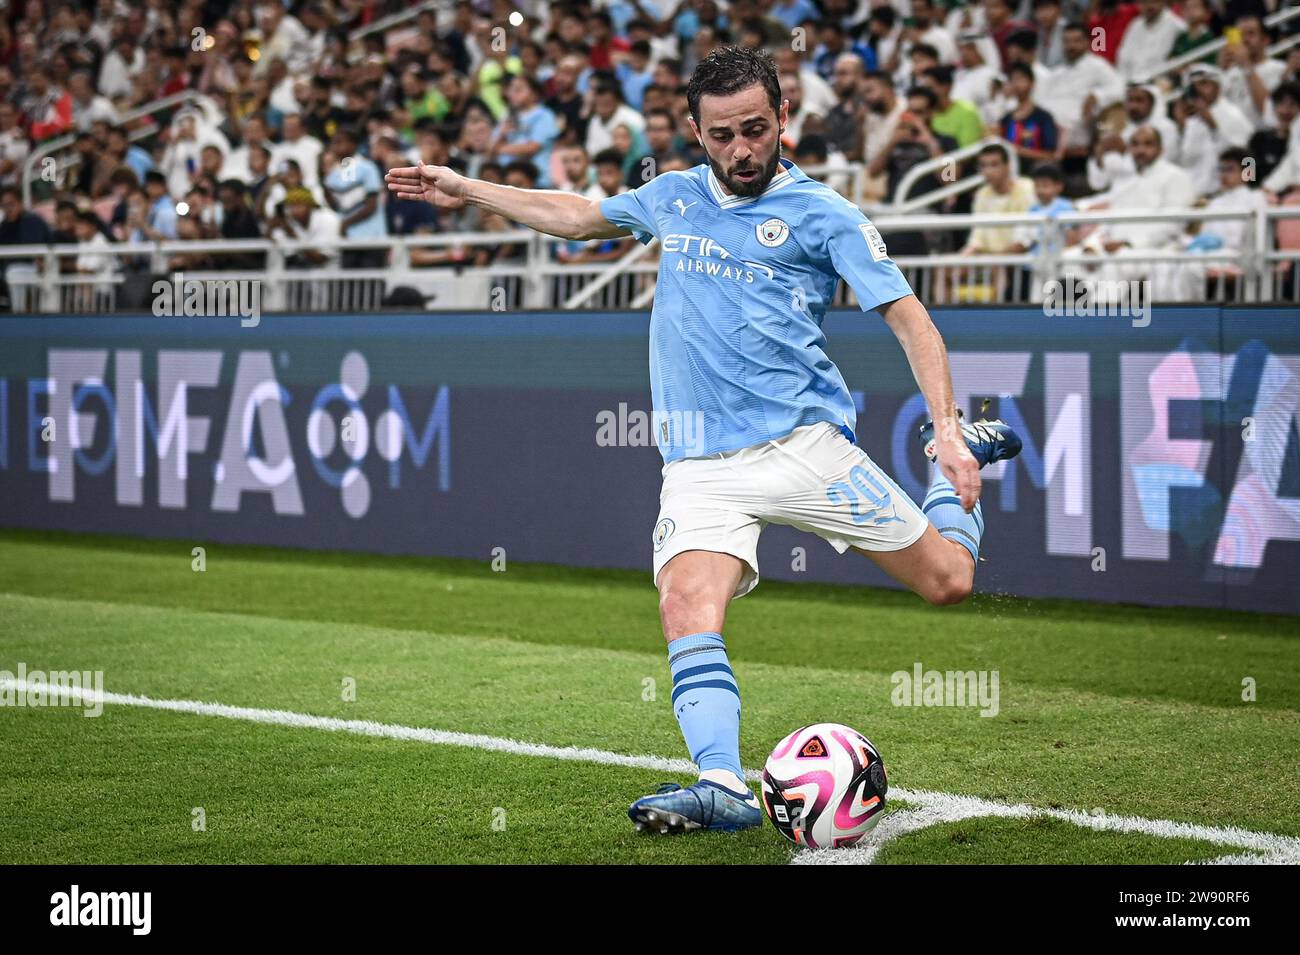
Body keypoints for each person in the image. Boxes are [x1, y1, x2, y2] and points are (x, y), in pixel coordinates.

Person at [386, 46, 1022, 836]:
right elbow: (580, 216)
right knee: (685, 603)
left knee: (950, 581)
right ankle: (720, 782)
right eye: (722, 135)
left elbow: (910, 319)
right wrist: (465, 187)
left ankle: (948, 466)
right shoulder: (675, 195)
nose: (742, 150)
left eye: (756, 129)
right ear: (694, 130)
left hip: (803, 447)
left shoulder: (827, 214)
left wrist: (953, 435)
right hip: (698, 465)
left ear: (783, 118)